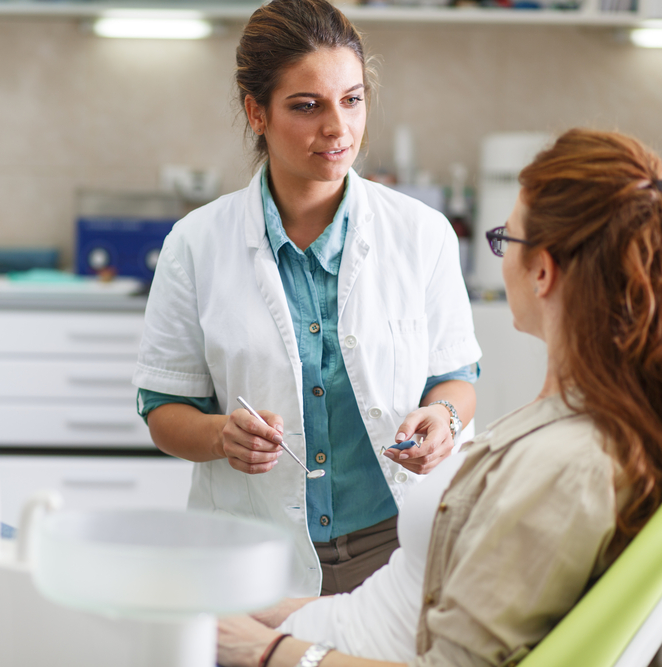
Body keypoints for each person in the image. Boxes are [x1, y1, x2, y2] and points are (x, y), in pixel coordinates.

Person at [215, 128, 662, 667]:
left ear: (542, 271)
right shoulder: (575, 413)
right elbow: (400, 603)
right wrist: (268, 615)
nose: (501, 253)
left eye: (505, 239)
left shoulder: (569, 467)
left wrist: (261, 649)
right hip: (327, 627)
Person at [134, 0, 481, 598]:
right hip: (253, 552)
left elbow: (457, 379)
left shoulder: (422, 234)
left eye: (352, 100)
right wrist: (221, 436)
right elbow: (165, 411)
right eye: (306, 105)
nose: (337, 129)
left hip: (396, 545)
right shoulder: (195, 244)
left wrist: (444, 420)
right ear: (256, 112)